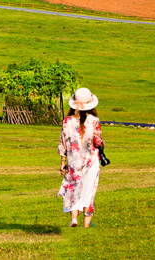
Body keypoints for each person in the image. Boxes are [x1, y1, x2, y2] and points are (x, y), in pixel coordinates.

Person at [57, 87, 104, 228]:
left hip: (73, 161)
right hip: (91, 160)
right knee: (89, 190)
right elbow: (98, 141)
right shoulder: (94, 120)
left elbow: (63, 143)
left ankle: (74, 218)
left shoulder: (67, 121)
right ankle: (86, 226)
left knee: (74, 188)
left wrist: (62, 162)